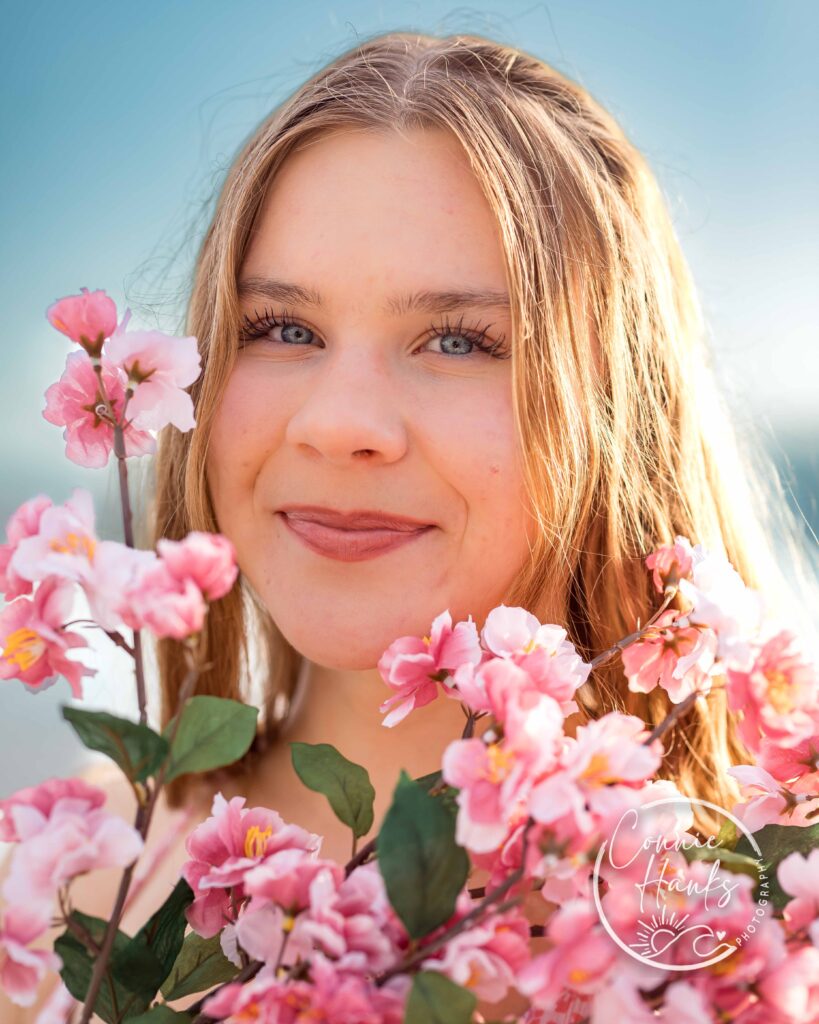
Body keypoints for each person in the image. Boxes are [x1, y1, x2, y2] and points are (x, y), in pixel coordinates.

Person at [3, 29, 816, 1023]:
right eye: (283, 328)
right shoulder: (62, 897)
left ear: (617, 408)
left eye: (460, 340)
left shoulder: (755, 923)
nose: (340, 423)